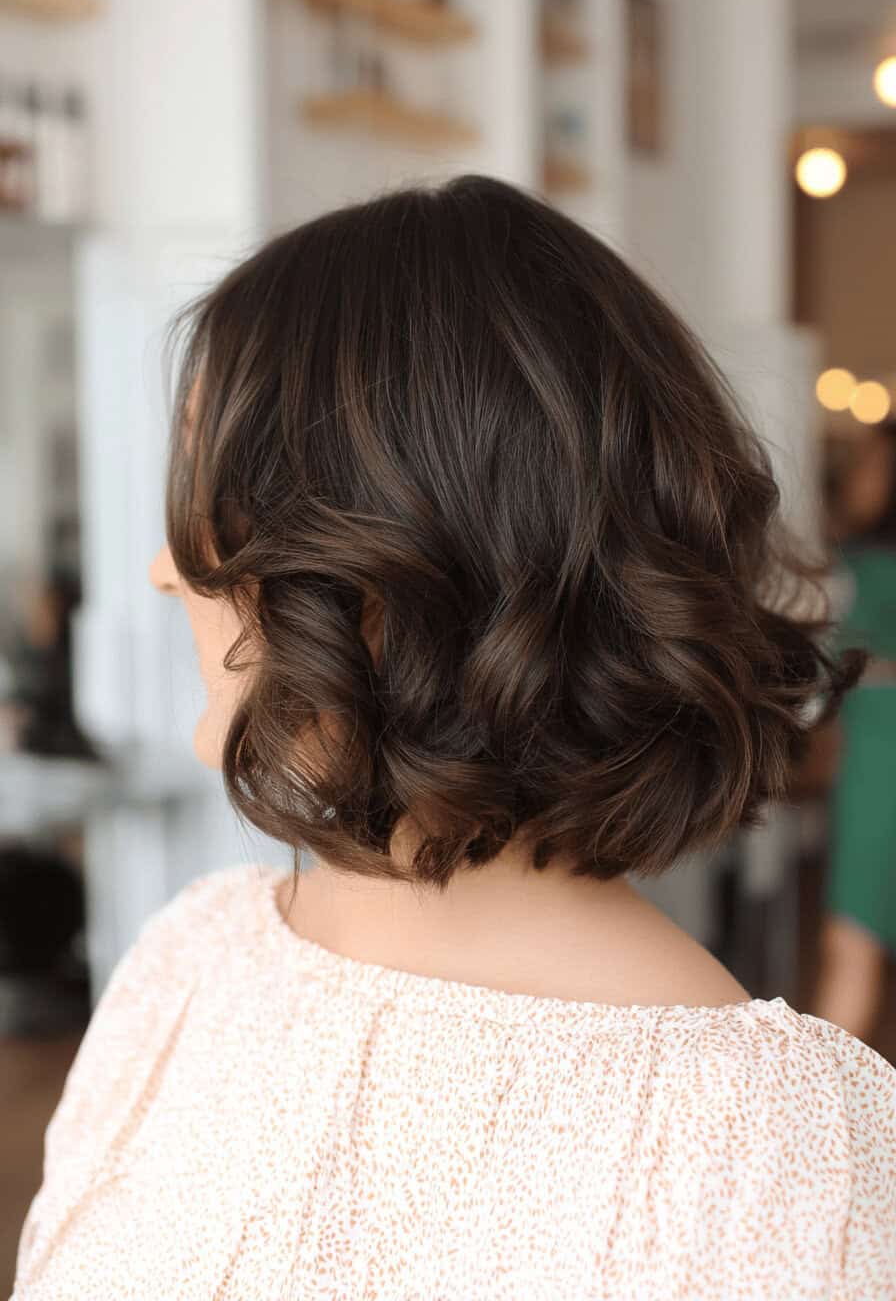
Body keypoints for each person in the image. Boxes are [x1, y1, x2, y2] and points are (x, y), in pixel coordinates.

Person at [11, 176, 894, 1300]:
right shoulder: (186, 966)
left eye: (209, 506)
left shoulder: (764, 1147)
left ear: (399, 568)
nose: (164, 566)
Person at [813, 418, 896, 1043]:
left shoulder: (864, 565)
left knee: (853, 940)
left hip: (880, 754)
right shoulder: (854, 559)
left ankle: (819, 1127)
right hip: (869, 747)